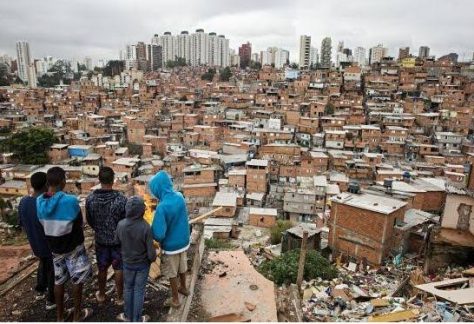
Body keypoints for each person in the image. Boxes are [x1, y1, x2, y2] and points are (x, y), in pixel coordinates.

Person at [37, 167, 93, 322]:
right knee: (77, 279)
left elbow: (43, 224)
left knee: (59, 281)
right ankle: (76, 315)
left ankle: (60, 317)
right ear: (63, 181)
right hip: (73, 246)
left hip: (54, 248)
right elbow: (79, 223)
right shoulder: (70, 201)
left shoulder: (39, 202)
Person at [86, 167, 126, 305]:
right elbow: (125, 220)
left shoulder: (91, 199)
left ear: (99, 179)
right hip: (117, 242)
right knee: (119, 268)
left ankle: (102, 295)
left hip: (101, 241)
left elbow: (89, 219)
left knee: (102, 268)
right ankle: (120, 298)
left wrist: (99, 230)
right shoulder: (121, 199)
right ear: (113, 180)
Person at [149, 170, 190, 308]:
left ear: (158, 189)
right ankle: (184, 287)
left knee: (172, 273)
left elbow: (159, 234)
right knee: (183, 267)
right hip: (184, 242)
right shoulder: (179, 197)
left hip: (171, 247)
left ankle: (175, 300)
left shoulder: (162, 207)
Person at [18, 172, 55, 310]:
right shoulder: (46, 203)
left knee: (43, 262)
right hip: (49, 244)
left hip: (35, 243)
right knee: (52, 270)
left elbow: (22, 224)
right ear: (46, 184)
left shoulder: (23, 202)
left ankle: (40, 290)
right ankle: (51, 300)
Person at [116, 196, 156, 322]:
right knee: (139, 290)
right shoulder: (145, 227)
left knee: (128, 288)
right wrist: (152, 259)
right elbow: (151, 253)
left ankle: (128, 316)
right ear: (142, 211)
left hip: (127, 263)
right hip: (142, 265)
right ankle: (137, 319)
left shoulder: (120, 224)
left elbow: (116, 242)